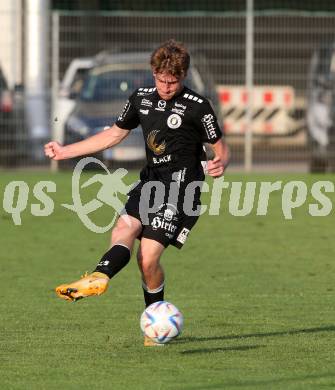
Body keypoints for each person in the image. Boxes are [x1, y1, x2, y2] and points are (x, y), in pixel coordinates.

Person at [44, 39, 229, 346]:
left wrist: (222, 162)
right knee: (124, 226)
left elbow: (220, 148)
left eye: (172, 82)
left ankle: (153, 329)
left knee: (148, 258)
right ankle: (100, 276)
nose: (166, 87)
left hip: (183, 190)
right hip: (151, 183)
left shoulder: (198, 107)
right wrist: (65, 151)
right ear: (153, 73)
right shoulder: (141, 99)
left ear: (182, 77)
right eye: (160, 80)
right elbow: (114, 134)